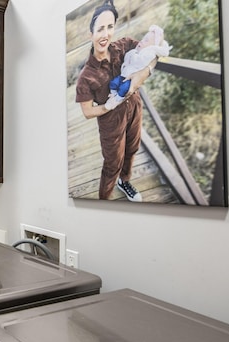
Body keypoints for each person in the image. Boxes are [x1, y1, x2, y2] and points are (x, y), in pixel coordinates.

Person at [75, 0, 158, 202]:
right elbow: (87, 112)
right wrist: (108, 105)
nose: (105, 34)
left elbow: (154, 51)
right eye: (100, 29)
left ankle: (125, 180)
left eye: (110, 27)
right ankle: (103, 200)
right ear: (91, 33)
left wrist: (143, 74)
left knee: (132, 149)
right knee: (113, 163)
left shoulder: (125, 46)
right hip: (110, 123)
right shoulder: (86, 77)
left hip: (135, 110)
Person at [106, 24, 171, 109]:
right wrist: (133, 53)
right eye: (143, 39)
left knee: (124, 88)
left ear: (152, 47)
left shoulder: (148, 54)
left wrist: (146, 68)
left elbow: (146, 59)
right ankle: (113, 94)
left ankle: (116, 100)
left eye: (146, 40)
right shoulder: (135, 49)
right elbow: (127, 57)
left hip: (130, 80)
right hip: (123, 75)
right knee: (113, 83)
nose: (142, 41)